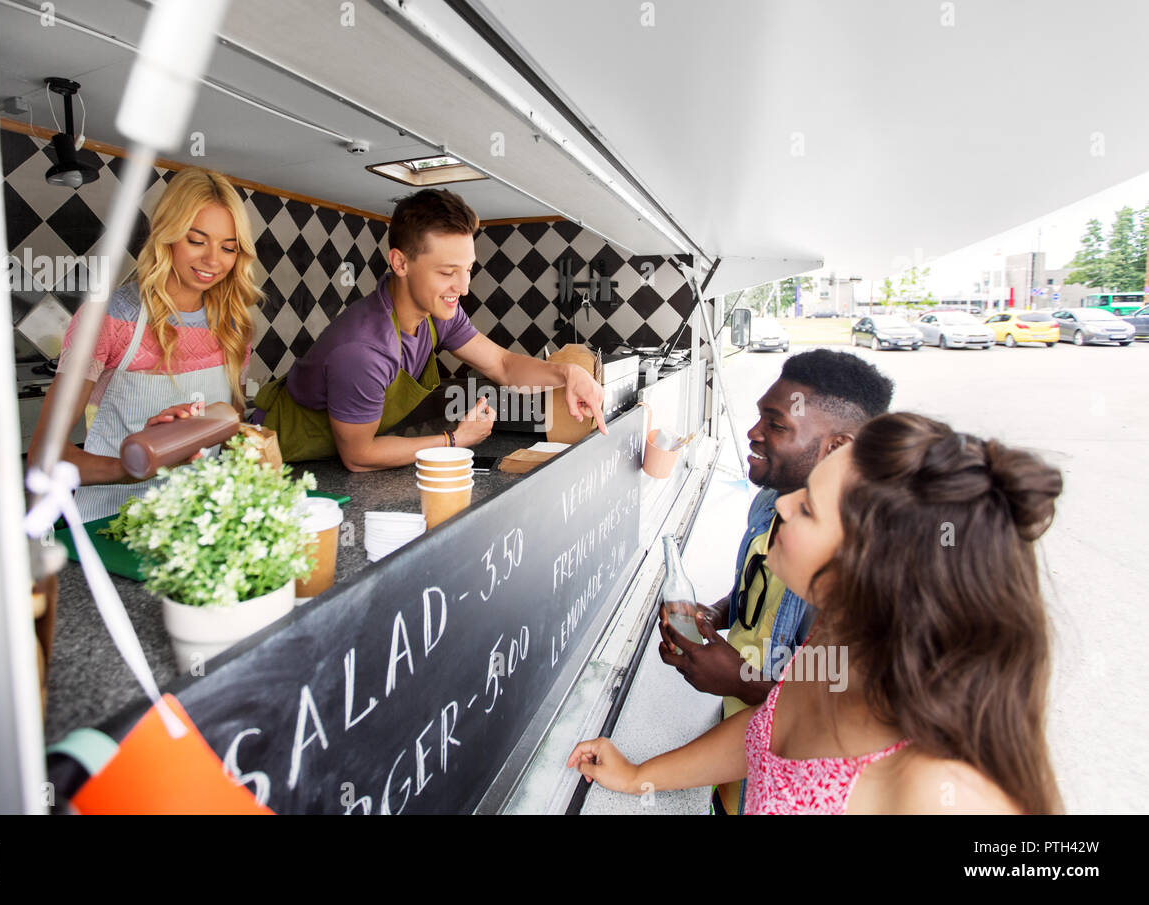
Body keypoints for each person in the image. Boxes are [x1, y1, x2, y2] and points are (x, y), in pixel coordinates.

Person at [570, 412, 1064, 814]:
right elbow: (769, 734)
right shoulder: (833, 641)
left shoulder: (941, 788)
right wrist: (640, 777)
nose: (784, 507)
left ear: (870, 566)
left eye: (807, 509)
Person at [659, 349, 893, 814]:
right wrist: (716, 615)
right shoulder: (772, 500)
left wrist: (743, 682)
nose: (753, 433)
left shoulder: (866, 568)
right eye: (758, 416)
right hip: (732, 749)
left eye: (776, 424)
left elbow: (844, 714)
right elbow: (754, 588)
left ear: (838, 447)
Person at [252, 189, 606, 470]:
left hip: (326, 460)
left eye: (468, 269)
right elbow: (360, 457)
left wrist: (567, 373)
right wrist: (454, 440)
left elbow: (502, 365)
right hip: (272, 460)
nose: (463, 287)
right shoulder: (363, 350)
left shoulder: (440, 315)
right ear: (400, 262)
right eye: (447, 272)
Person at [27, 167, 262, 521]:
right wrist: (135, 465)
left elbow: (227, 430)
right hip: (115, 521)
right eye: (196, 241)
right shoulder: (110, 320)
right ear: (166, 236)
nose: (214, 260)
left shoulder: (233, 327)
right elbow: (45, 458)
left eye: (228, 247)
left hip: (201, 521)